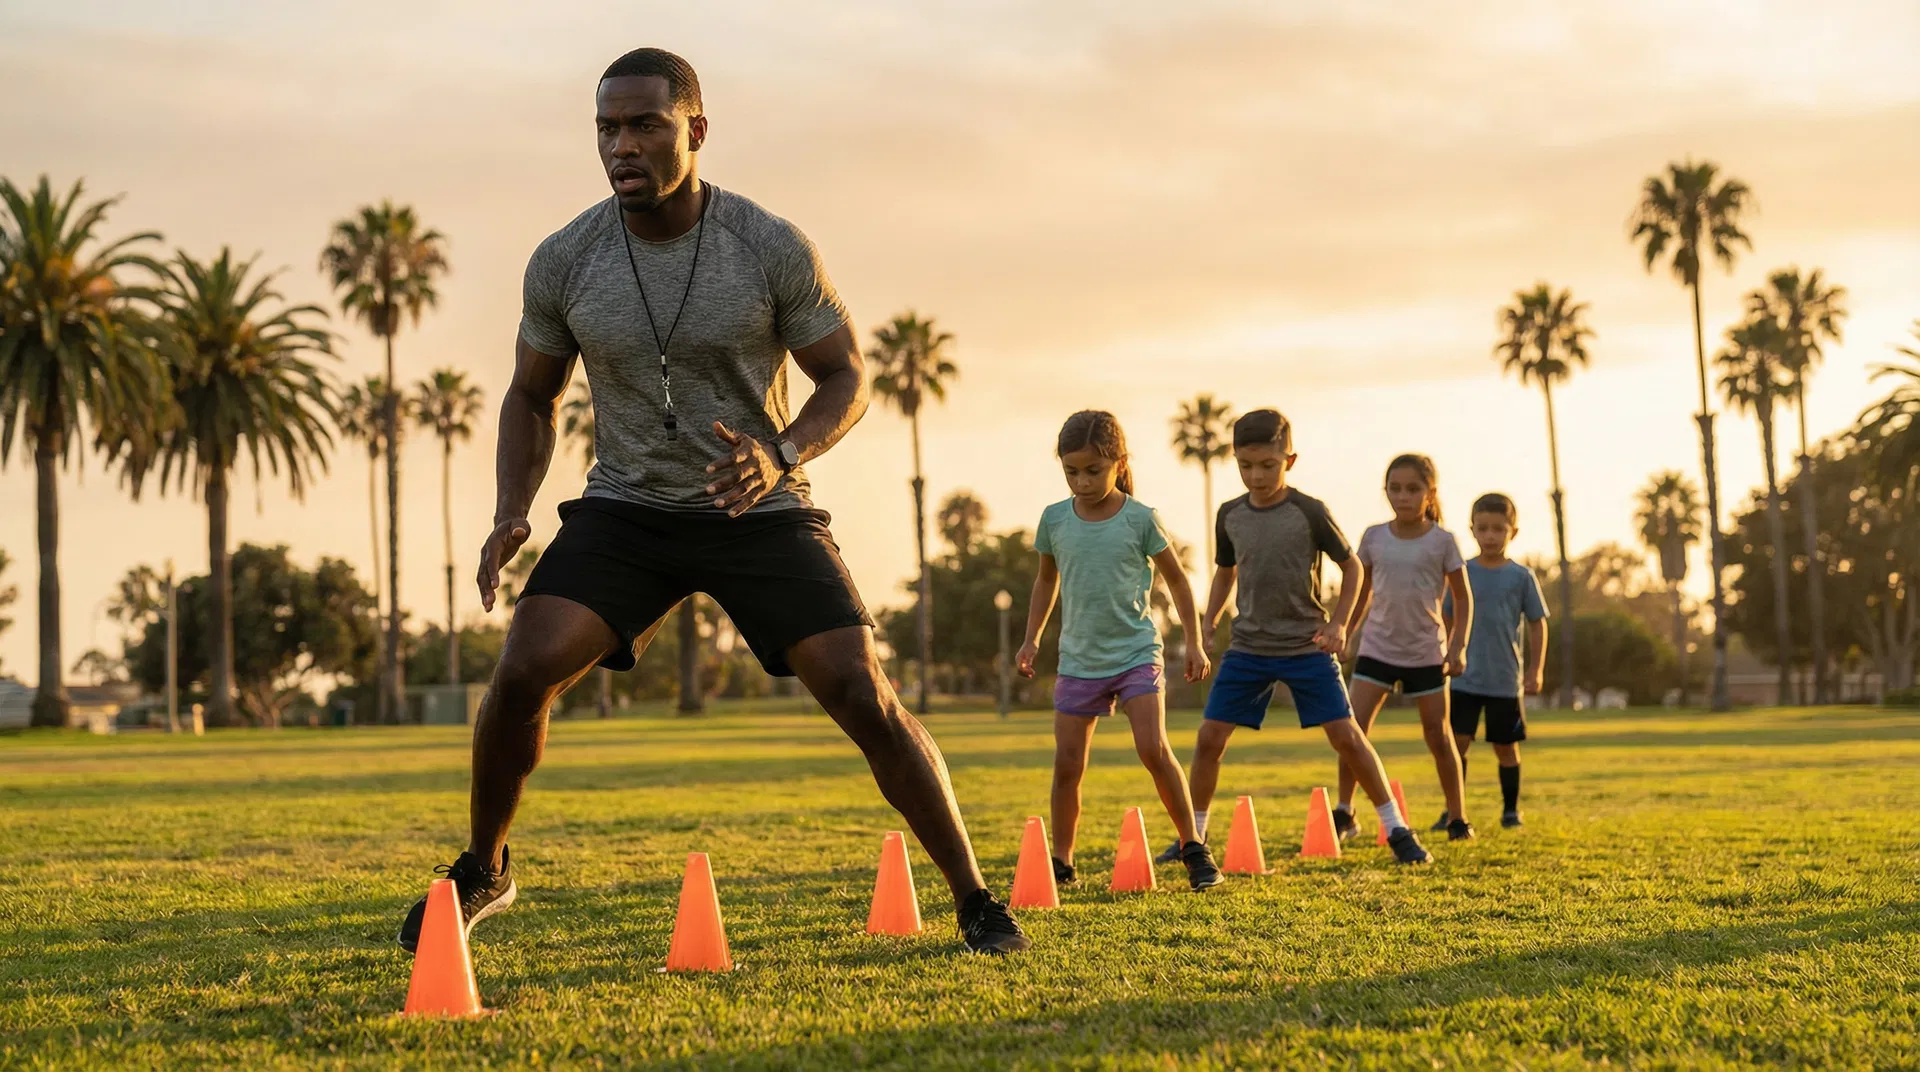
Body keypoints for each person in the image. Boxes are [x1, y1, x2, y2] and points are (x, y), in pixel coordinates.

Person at [397, 47, 1030, 957]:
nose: (623, 145)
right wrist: (510, 508)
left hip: (756, 504)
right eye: (607, 128)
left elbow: (846, 375)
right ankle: (486, 866)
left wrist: (782, 454)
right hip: (628, 509)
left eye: (645, 124)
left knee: (861, 689)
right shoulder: (566, 259)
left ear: (695, 130)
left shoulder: (767, 245)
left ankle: (974, 896)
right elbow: (530, 396)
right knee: (521, 670)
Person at [1157, 410, 1431, 865]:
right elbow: (1226, 573)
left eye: (1267, 464)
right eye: (1246, 465)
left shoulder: (1309, 511)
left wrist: (1340, 623)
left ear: (1290, 459)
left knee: (1347, 736)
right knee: (1209, 740)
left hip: (1307, 646)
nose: (1256, 475)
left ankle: (1397, 829)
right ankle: (1194, 838)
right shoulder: (1230, 514)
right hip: (1248, 647)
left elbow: (1354, 567)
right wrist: (1207, 623)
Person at [1014, 410, 1225, 892]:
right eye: (1072, 471)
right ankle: (1062, 860)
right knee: (1068, 764)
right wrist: (1032, 639)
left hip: (1135, 653)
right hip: (1078, 659)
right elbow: (1046, 581)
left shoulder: (1140, 518)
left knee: (1153, 748)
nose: (1082, 482)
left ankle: (1194, 847)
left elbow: (1177, 581)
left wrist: (1193, 642)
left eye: (1093, 470)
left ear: (1118, 462)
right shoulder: (1054, 520)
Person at [1341, 454, 1477, 841]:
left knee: (1438, 735)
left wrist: (1458, 647)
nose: (1403, 496)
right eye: (1395, 488)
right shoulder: (1373, 536)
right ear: (1385, 491)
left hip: (1425, 653)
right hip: (1376, 649)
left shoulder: (1443, 541)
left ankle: (1457, 817)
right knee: (1352, 731)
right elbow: (1361, 591)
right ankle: (1345, 812)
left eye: (1413, 489)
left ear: (1429, 492)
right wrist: (1347, 632)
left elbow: (1463, 599)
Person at [1441, 492, 1548, 829]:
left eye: (1498, 529)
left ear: (1512, 532)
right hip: (1463, 678)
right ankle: (1454, 811)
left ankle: (1510, 811)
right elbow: (1444, 617)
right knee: (1457, 746)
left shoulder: (1521, 577)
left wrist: (1536, 669)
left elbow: (1537, 623)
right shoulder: (1462, 573)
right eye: (1483, 528)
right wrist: (1445, 655)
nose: (1490, 535)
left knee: (1506, 747)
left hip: (1505, 680)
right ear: (1472, 530)